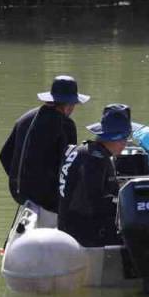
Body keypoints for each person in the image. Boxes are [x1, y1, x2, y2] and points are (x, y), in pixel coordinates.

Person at [0, 75, 90, 213]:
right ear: (68, 105)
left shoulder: (25, 118)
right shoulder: (65, 125)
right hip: (46, 199)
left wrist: (20, 181)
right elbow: (68, 167)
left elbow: (4, 155)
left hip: (18, 193)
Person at [56, 104, 132, 247]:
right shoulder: (96, 159)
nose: (125, 144)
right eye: (124, 139)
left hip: (66, 225)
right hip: (81, 234)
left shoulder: (81, 150)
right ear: (114, 138)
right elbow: (95, 203)